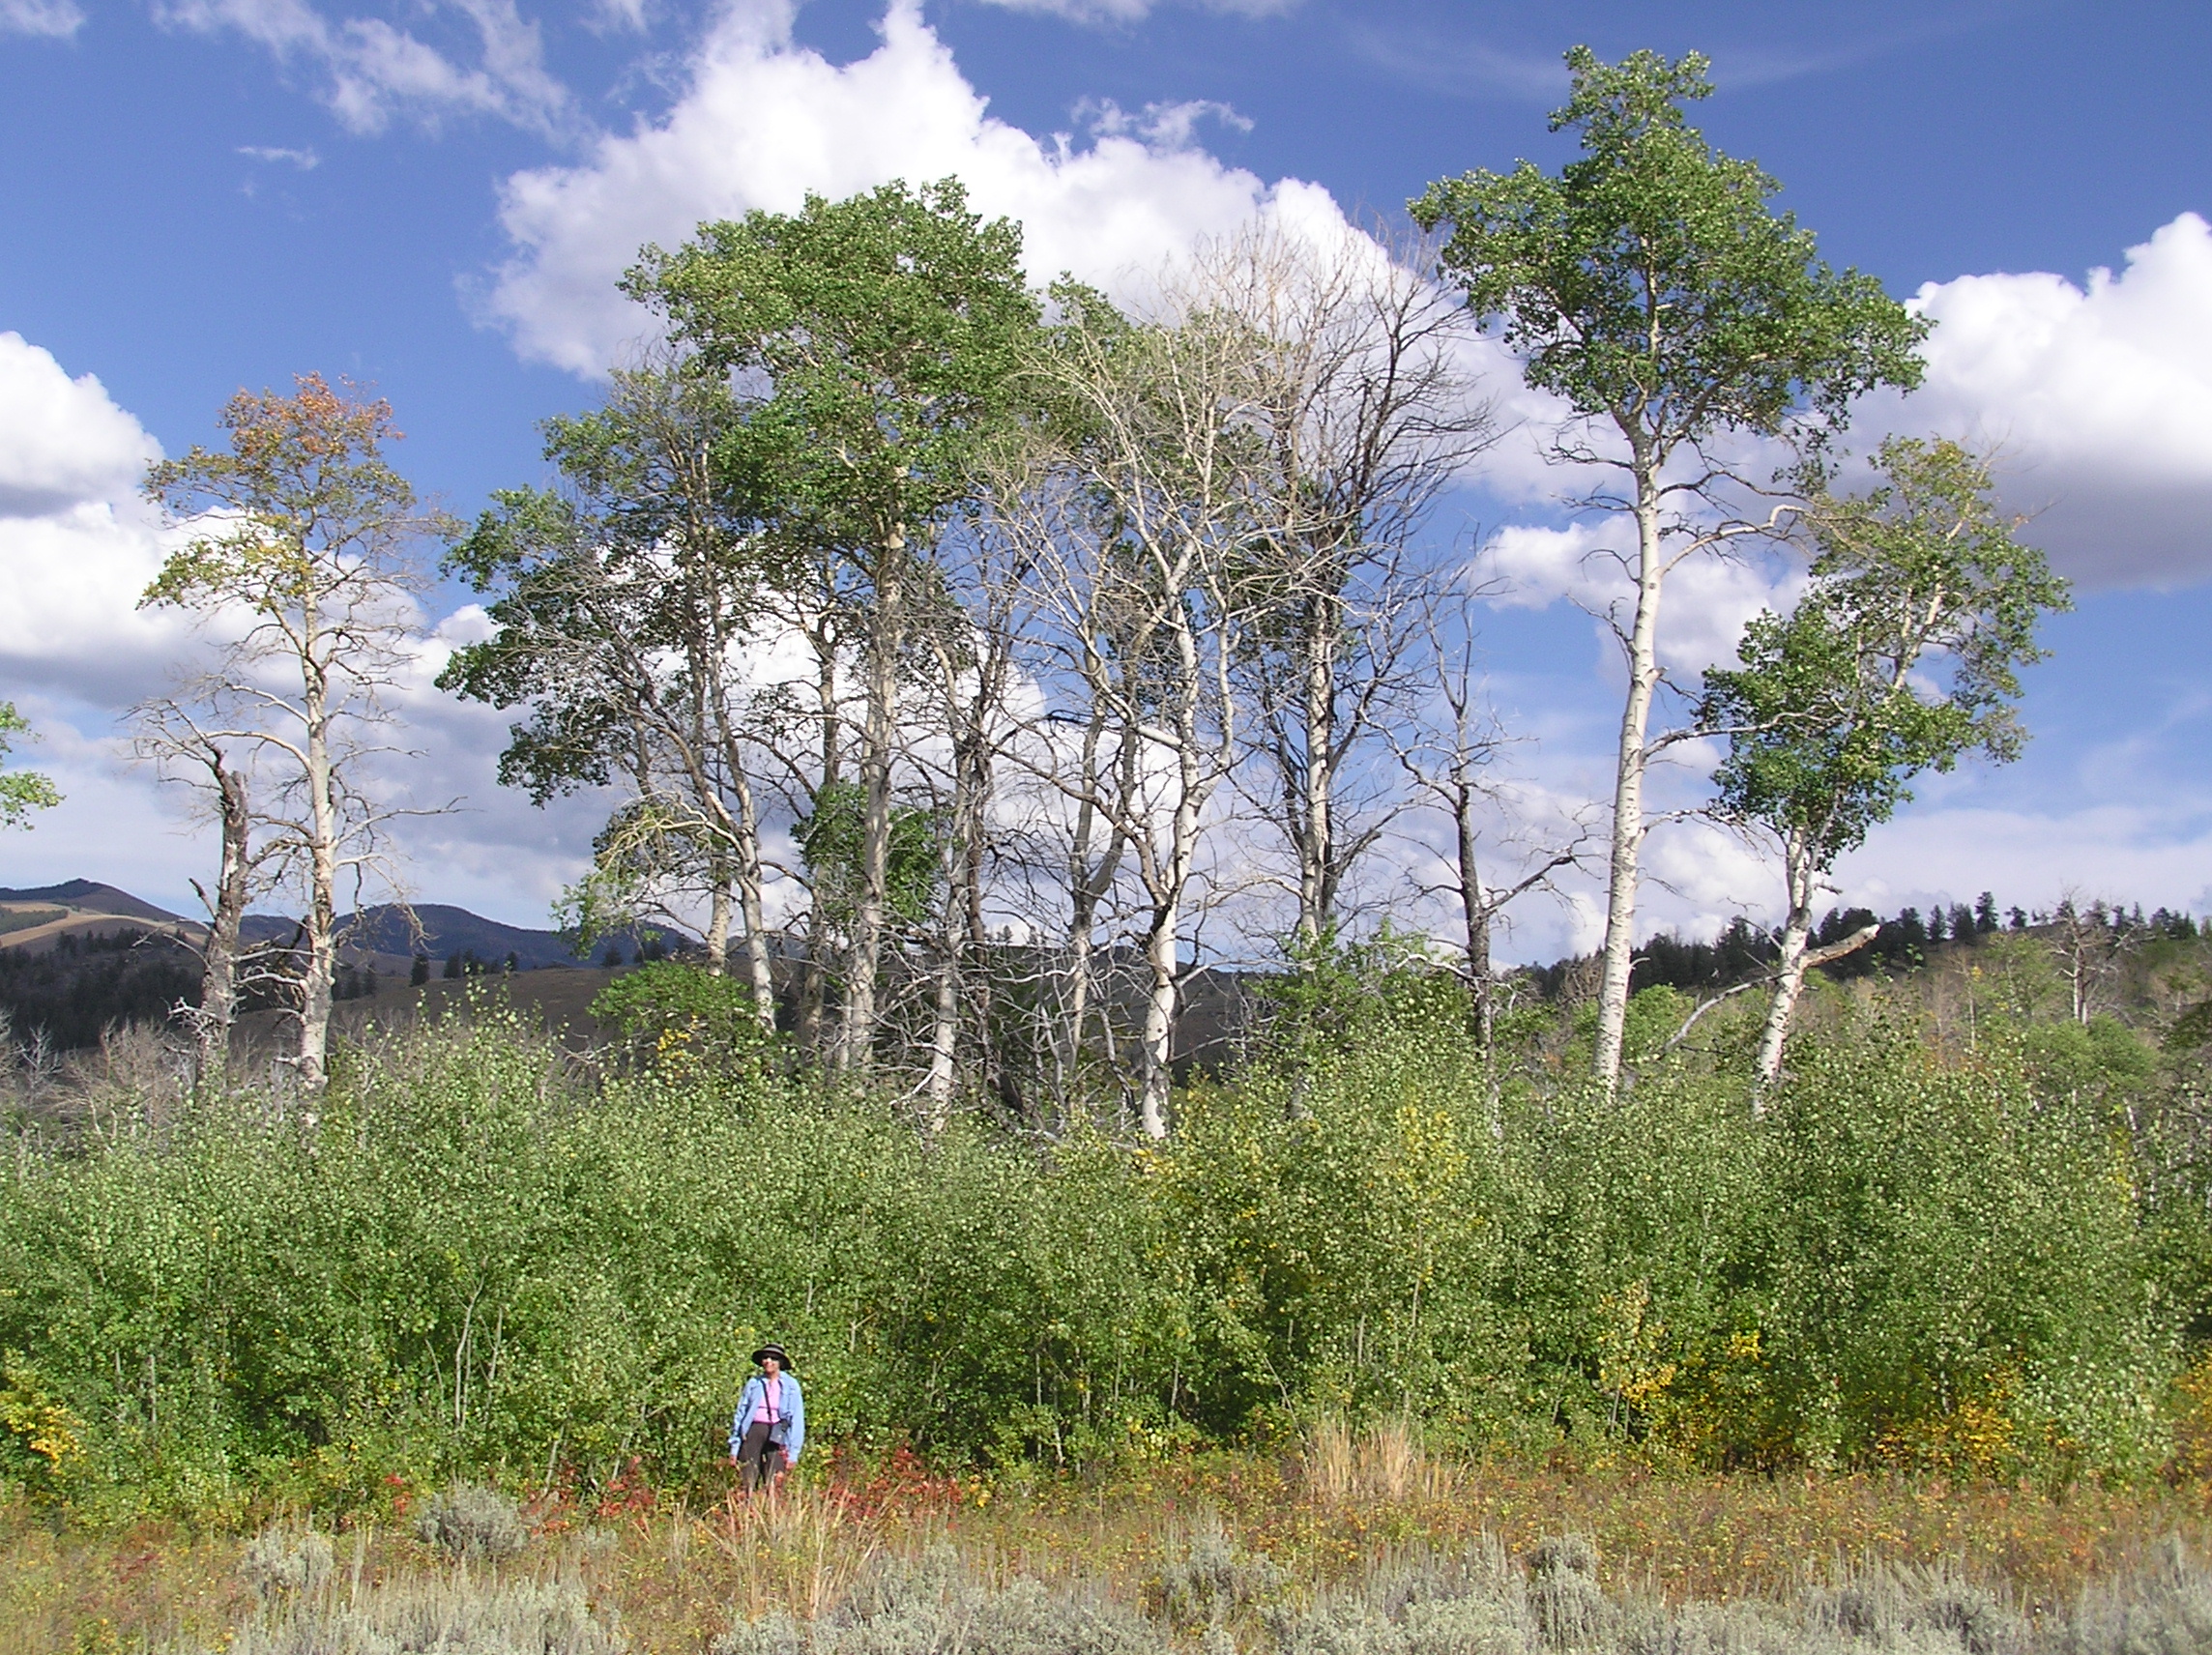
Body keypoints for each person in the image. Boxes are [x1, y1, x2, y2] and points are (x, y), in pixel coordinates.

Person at [729, 1342, 804, 1493]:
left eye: (773, 1358)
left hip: (778, 1433)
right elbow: (741, 1414)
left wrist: (793, 1452)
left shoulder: (791, 1385)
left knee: (775, 1478)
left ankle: (772, 1512)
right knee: (747, 1477)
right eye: (765, 1358)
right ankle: (746, 1510)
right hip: (754, 1430)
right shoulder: (753, 1383)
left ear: (780, 1362)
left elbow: (797, 1419)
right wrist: (735, 1447)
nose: (768, 1361)